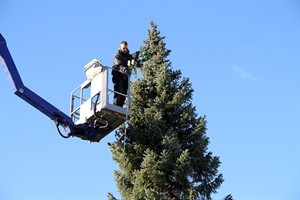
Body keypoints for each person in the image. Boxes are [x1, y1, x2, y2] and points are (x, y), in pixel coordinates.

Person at [112, 41, 133, 107]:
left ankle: (120, 107)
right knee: (119, 92)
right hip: (118, 76)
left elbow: (133, 60)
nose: (125, 50)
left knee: (124, 93)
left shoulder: (128, 56)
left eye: (126, 48)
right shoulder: (117, 56)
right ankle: (116, 106)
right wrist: (125, 70)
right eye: (124, 48)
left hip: (125, 77)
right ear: (120, 47)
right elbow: (119, 65)